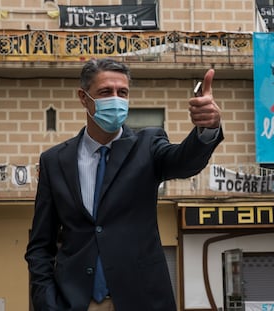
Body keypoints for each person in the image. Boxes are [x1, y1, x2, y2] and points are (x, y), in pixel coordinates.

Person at [25, 58, 223, 311]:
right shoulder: (55, 161)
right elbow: (41, 245)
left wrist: (207, 129)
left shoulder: (148, 145)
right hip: (75, 302)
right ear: (84, 98)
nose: (116, 100)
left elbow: (184, 162)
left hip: (141, 300)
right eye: (106, 92)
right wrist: (46, 302)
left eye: (123, 93)